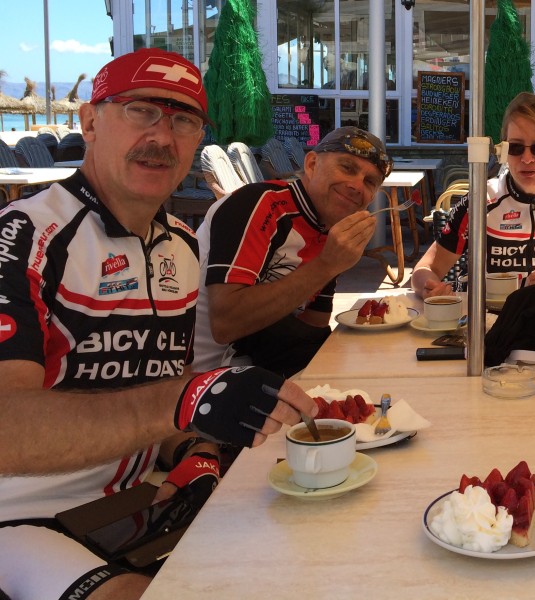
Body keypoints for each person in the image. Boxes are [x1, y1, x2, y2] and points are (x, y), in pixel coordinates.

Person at [0, 48, 316, 599]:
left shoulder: (181, 247)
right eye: (141, 110)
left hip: (140, 502)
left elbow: (162, 394)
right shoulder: (23, 235)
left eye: (183, 121)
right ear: (90, 121)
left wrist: (195, 450)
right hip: (23, 515)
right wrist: (186, 402)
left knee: (308, 551)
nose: (162, 137)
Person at [191, 126, 389, 377]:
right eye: (347, 168)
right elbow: (225, 325)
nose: (357, 186)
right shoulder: (258, 203)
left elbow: (312, 327)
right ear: (312, 164)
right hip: (203, 380)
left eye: (369, 182)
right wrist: (327, 264)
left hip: (267, 368)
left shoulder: (328, 228)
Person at [412, 92, 535, 298]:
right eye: (515, 147)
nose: (527, 158)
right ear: (503, 151)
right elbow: (424, 269)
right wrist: (429, 288)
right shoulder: (480, 200)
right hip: (483, 313)